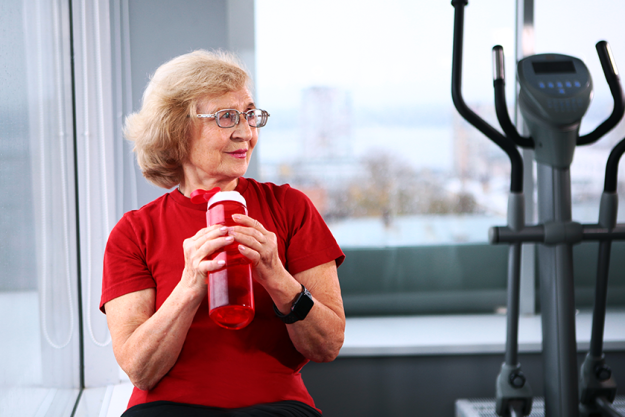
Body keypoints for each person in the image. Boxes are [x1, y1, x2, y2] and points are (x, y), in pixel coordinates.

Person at [100, 50, 346, 417]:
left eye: (249, 114)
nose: (245, 132)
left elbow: (327, 345)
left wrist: (275, 275)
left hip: (275, 403)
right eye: (226, 116)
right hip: (168, 407)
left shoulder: (290, 207)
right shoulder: (134, 231)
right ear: (176, 129)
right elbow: (140, 369)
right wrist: (190, 285)